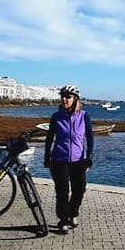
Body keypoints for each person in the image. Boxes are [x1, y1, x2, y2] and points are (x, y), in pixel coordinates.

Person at [44, 85, 94, 232]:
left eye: (68, 97)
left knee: (79, 190)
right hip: (59, 159)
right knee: (62, 191)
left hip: (78, 160)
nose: (64, 99)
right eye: (63, 96)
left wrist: (89, 157)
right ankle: (64, 219)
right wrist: (47, 156)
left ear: (75, 99)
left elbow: (90, 138)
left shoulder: (84, 116)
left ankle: (74, 213)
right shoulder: (56, 117)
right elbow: (49, 138)